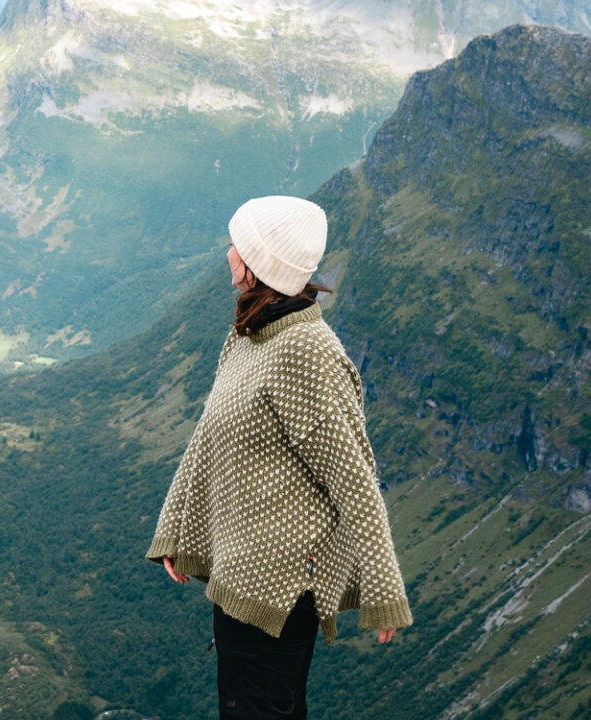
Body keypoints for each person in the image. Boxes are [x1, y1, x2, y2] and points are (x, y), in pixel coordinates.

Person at [146, 195, 412, 719]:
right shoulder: (250, 334)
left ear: (256, 261)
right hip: (239, 574)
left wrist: (384, 587)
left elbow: (354, 476)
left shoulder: (305, 353)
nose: (228, 252)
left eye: (237, 244)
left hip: (282, 588)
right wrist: (175, 527)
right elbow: (208, 438)